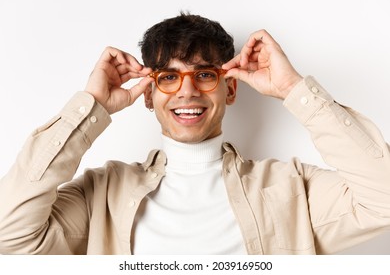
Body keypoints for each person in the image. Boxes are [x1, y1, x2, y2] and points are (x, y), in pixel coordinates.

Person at [0, 13, 389, 255]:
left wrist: (293, 89)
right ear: (149, 95)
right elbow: (10, 233)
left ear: (230, 89)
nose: (187, 91)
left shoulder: (290, 189)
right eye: (169, 77)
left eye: (204, 74)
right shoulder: (101, 194)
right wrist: (89, 108)